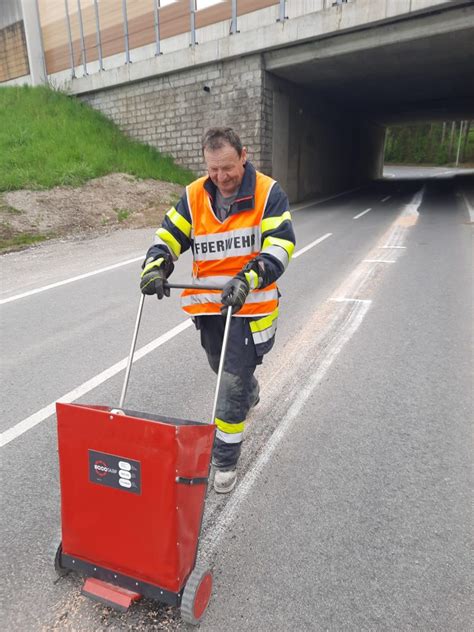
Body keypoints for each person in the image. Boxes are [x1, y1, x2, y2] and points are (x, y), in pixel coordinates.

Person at [140, 127, 295, 493]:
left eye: (227, 167)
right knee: (220, 367)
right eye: (213, 170)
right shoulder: (194, 196)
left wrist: (249, 278)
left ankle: (224, 462)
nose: (221, 177)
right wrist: (156, 265)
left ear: (244, 155)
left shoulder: (268, 193)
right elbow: (169, 236)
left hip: (248, 306)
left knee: (230, 381)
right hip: (209, 307)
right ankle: (250, 392)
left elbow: (280, 246)